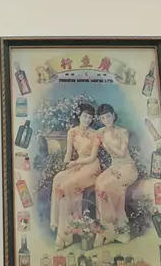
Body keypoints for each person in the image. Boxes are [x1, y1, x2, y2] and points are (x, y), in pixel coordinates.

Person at [49, 103, 103, 249]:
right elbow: (69, 152)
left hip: (91, 168)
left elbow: (92, 157)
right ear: (79, 115)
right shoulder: (72, 132)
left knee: (68, 185)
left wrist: (74, 163)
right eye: (85, 116)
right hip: (78, 166)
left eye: (90, 117)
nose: (87, 120)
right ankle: (62, 227)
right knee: (58, 179)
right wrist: (66, 164)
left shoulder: (95, 134)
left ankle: (64, 235)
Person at [93, 103, 138, 245]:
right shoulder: (100, 132)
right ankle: (106, 230)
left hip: (127, 167)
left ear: (113, 115)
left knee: (107, 186)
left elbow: (121, 154)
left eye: (108, 116)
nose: (106, 120)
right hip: (114, 167)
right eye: (102, 118)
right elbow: (90, 145)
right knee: (99, 184)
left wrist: (106, 144)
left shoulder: (123, 132)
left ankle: (120, 230)